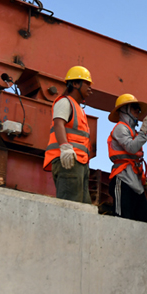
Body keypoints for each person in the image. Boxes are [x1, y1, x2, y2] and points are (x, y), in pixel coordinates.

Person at [42, 66, 95, 203]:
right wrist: (65, 147)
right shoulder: (65, 102)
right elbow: (58, 123)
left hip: (79, 162)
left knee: (84, 206)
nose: (90, 88)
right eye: (87, 83)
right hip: (68, 160)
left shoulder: (78, 108)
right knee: (70, 205)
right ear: (75, 84)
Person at [107, 93, 147, 222]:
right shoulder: (120, 128)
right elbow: (131, 147)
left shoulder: (132, 131)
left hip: (135, 182)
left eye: (138, 109)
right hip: (122, 180)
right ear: (124, 110)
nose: (138, 111)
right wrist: (144, 130)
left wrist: (143, 178)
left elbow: (134, 160)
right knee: (122, 221)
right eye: (134, 107)